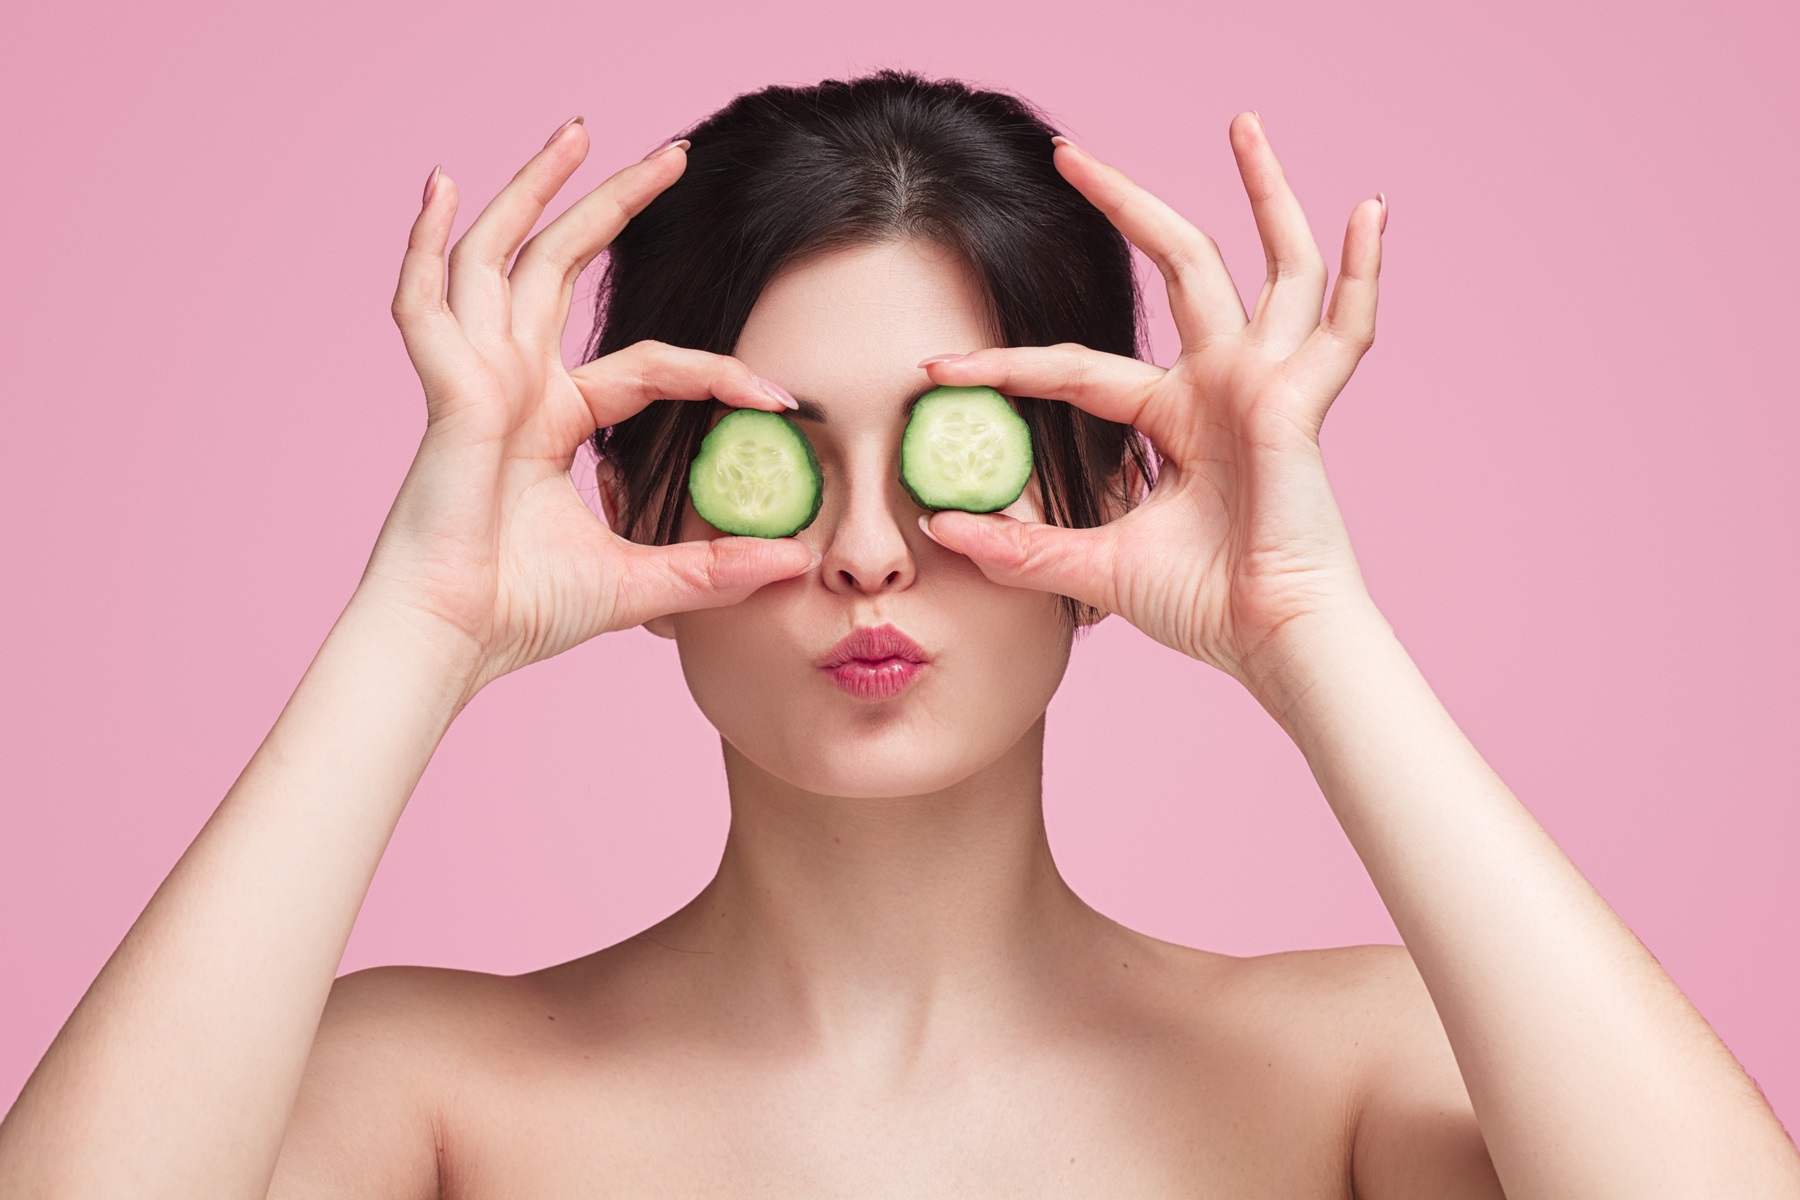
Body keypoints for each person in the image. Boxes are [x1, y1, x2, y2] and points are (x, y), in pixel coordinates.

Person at [1, 69, 1794, 1198]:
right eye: (780, 461)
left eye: (952, 467)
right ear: (639, 500)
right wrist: (421, 618)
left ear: (1102, 497)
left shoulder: (1355, 1075)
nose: (867, 550)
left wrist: (1307, 629)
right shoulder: (427, 1095)